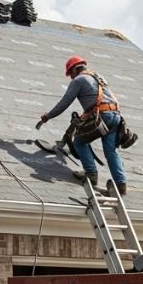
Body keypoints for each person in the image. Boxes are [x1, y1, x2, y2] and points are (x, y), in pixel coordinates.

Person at [36, 55, 128, 194]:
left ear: (74, 70)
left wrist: (47, 116)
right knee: (111, 151)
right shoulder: (98, 77)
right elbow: (96, 100)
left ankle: (91, 174)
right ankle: (121, 184)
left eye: (70, 74)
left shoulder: (79, 80)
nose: (71, 78)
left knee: (79, 142)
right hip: (116, 116)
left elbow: (64, 102)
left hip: (103, 116)